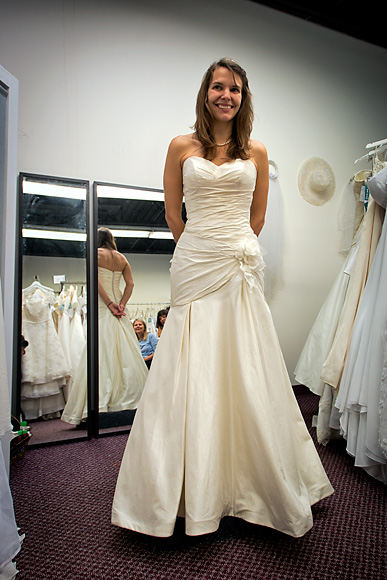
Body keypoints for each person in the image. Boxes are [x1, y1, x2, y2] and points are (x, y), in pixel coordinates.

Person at [112, 58, 333, 538]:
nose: (225, 96)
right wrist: (199, 247)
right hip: (194, 260)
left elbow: (257, 218)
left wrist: (234, 247)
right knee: (187, 364)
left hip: (236, 262)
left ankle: (255, 481)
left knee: (246, 361)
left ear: (243, 97)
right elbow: (173, 213)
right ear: (205, 92)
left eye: (234, 89)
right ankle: (186, 487)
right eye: (218, 87)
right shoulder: (180, 146)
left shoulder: (256, 151)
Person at [61, 228, 148, 424]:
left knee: (101, 348)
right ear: (111, 240)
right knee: (124, 348)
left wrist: (109, 303)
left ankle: (99, 402)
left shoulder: (95, 254)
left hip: (105, 304)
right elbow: (130, 284)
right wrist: (122, 304)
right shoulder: (122, 258)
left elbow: (95, 280)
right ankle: (129, 398)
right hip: (119, 304)